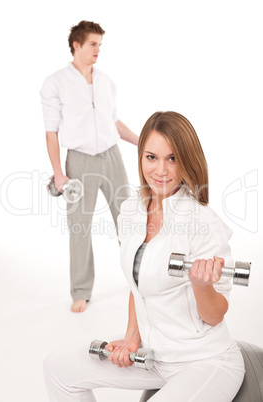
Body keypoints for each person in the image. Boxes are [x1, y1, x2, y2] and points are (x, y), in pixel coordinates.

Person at [43, 112, 245, 401]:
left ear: (187, 160)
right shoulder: (131, 210)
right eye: (152, 157)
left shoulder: (203, 223)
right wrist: (131, 338)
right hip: (152, 356)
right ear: (140, 158)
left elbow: (214, 316)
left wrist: (202, 285)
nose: (161, 170)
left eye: (172, 158)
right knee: (57, 368)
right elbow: (138, 285)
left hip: (204, 360)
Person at [40, 20, 138, 313]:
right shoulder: (55, 83)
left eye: (100, 45)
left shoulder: (106, 81)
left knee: (128, 220)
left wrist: (143, 141)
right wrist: (59, 173)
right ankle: (81, 291)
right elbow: (51, 131)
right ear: (77, 45)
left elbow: (114, 123)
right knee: (80, 226)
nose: (98, 50)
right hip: (79, 160)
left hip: (112, 156)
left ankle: (139, 279)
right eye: (93, 44)